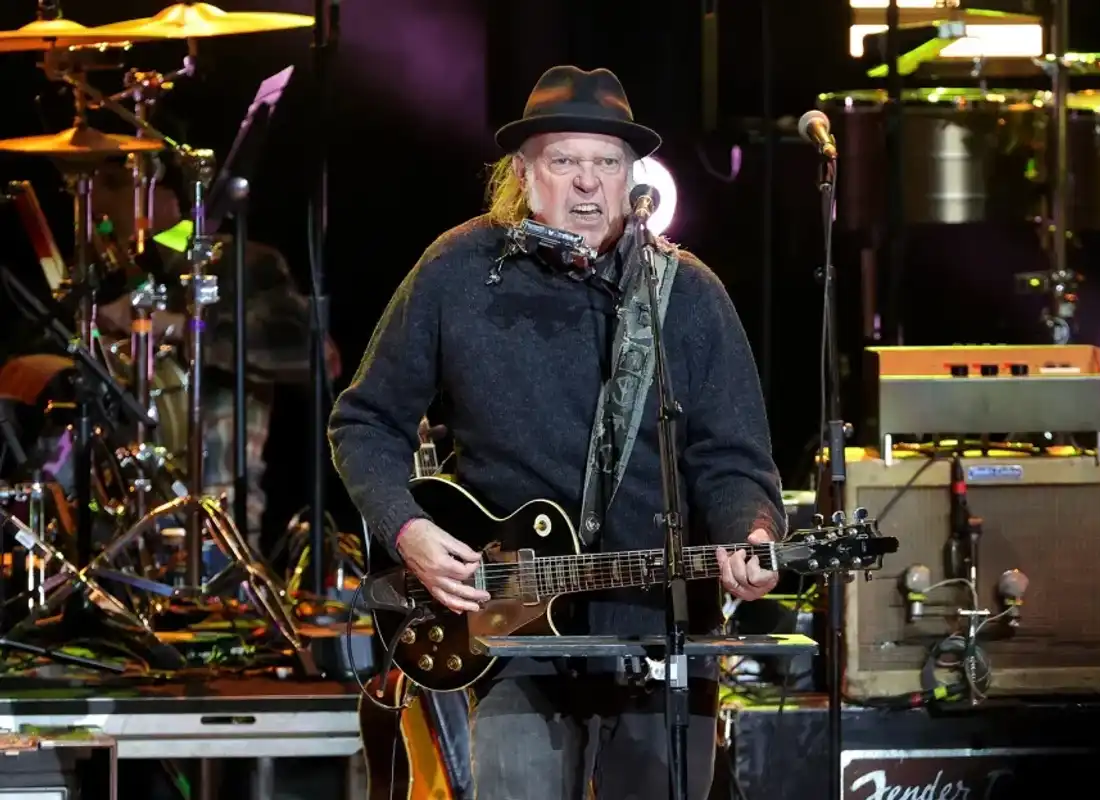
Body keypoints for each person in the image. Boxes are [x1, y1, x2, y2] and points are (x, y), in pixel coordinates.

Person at [329, 65, 785, 799]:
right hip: (510, 638)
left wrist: (752, 531)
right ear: (522, 173)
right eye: (565, 161)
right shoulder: (457, 270)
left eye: (606, 163)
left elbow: (732, 456)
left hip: (656, 632)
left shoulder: (686, 291)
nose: (587, 184)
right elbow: (365, 421)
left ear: (635, 178)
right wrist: (407, 530)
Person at [91, 159, 341, 543]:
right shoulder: (101, 275)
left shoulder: (238, 260)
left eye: (111, 188)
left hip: (215, 515)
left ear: (163, 193)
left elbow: (317, 355)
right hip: (122, 508)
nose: (98, 211)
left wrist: (173, 326)